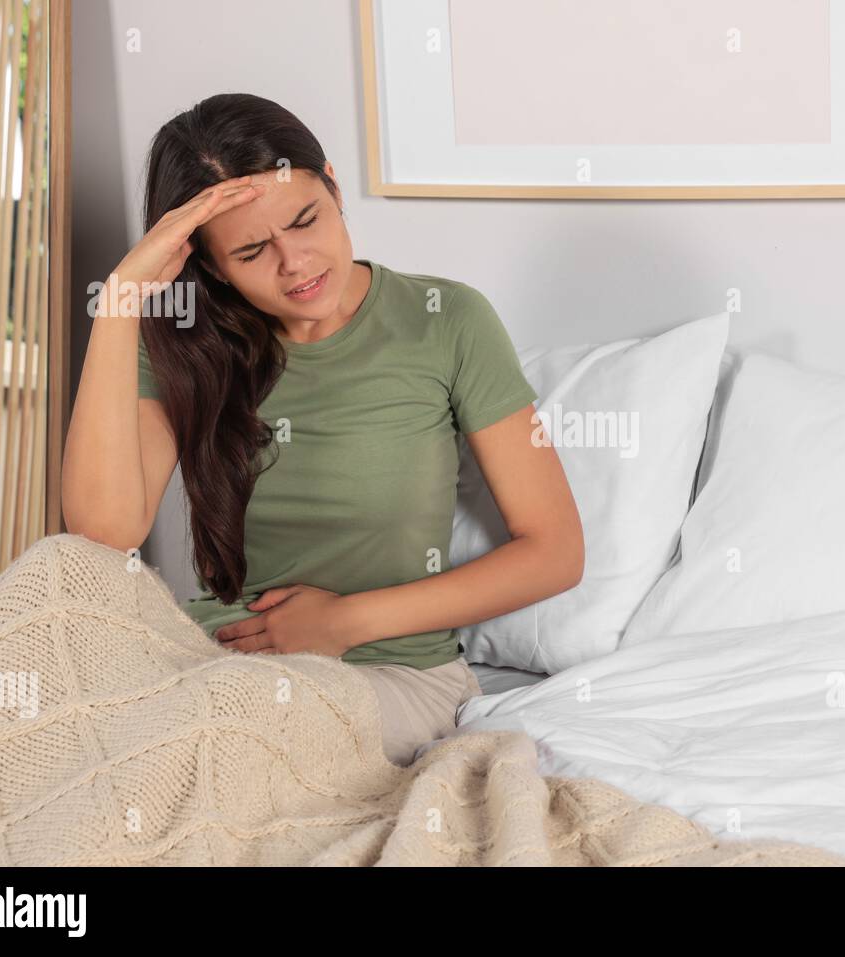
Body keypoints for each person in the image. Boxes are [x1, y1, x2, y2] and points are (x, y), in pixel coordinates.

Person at [60, 93, 585, 765]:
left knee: (220, 740)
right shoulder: (188, 347)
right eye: (251, 250)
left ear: (333, 185)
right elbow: (101, 535)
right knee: (44, 611)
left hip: (392, 678)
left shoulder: (445, 320)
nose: (296, 263)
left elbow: (555, 549)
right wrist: (120, 303)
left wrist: (344, 621)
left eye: (305, 219)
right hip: (212, 665)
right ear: (211, 267)